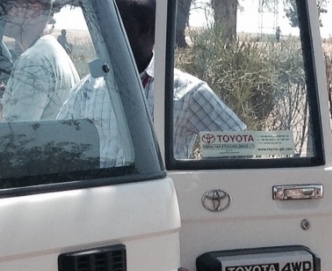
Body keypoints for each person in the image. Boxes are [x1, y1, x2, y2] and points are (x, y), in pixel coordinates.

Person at [57, 0, 245, 161]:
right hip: (101, 202)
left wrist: (194, 189)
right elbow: (58, 145)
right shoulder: (88, 88)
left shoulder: (188, 92)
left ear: (145, 28)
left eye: (114, 27)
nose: (103, 37)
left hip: (155, 200)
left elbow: (241, 147)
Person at [0, 0, 79, 121]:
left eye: (8, 5)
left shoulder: (33, 62)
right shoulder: (49, 51)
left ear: (34, 11)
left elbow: (16, 136)